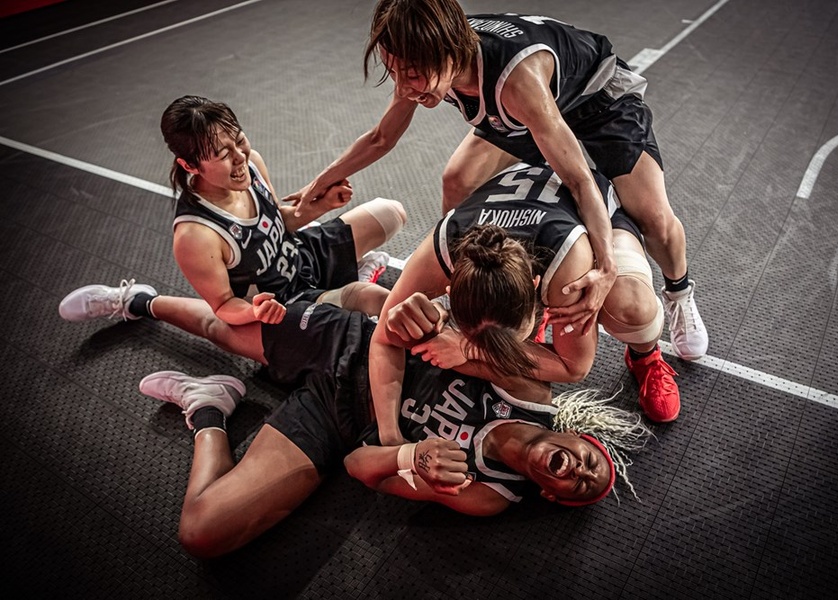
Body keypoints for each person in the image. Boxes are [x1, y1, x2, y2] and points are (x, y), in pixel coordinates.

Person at [286, 0, 707, 360]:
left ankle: (679, 294)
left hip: (598, 104)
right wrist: (319, 182)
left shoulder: (516, 81)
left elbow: (579, 180)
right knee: (458, 178)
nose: (403, 86)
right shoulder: (424, 57)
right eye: (394, 72)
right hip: (529, 107)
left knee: (652, 217)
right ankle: (473, 283)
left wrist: (606, 270)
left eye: (411, 74)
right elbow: (381, 137)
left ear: (448, 51)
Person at [136, 300, 650, 558]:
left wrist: (410, 460)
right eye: (592, 463)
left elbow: (362, 469)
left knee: (202, 533)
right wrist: (423, 312)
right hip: (357, 347)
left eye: (580, 486)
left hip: (335, 422)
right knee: (220, 328)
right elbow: (444, 334)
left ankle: (208, 408)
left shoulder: (489, 494)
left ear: (552, 495)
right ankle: (137, 301)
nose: (581, 472)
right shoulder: (528, 392)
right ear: (577, 437)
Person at [371, 163, 680, 446]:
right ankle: (516, 330)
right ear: (450, 290)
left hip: (596, 216)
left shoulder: (568, 267)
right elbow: (384, 338)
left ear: (535, 286)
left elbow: (574, 367)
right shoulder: (443, 248)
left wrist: (468, 348)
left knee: (630, 309)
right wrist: (390, 439)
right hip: (526, 211)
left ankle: (645, 357)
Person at [60, 95, 407, 331]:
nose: (239, 157)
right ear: (190, 165)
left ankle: (348, 275)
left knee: (390, 212)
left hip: (300, 257)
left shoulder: (251, 162)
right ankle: (137, 301)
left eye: (238, 141)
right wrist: (257, 311)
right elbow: (223, 306)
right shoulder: (195, 235)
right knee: (373, 300)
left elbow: (278, 222)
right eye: (223, 154)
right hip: (281, 303)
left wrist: (320, 206)